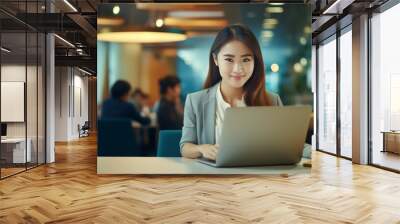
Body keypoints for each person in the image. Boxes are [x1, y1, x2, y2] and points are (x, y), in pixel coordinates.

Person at [179, 24, 283, 160]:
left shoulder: (272, 101)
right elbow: (185, 147)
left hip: (259, 177)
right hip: (213, 178)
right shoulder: (195, 101)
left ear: (255, 62)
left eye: (246, 60)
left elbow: (287, 145)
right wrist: (202, 149)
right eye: (229, 59)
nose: (237, 69)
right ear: (215, 59)